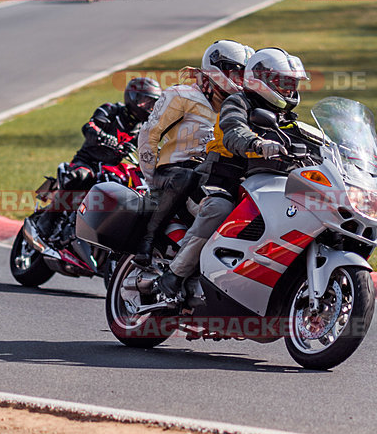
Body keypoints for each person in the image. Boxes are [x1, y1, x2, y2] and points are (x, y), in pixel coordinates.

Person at [156, 47, 307, 302]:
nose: (290, 89)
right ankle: (174, 275)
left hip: (260, 187)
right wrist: (257, 144)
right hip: (218, 181)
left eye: (292, 83)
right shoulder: (238, 102)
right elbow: (233, 131)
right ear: (263, 79)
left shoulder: (286, 117)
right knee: (219, 208)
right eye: (285, 82)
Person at [133, 40, 253, 266]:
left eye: (244, 75)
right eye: (235, 73)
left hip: (213, 174)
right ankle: (148, 238)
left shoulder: (243, 107)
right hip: (174, 172)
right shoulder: (182, 96)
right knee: (186, 177)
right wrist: (153, 182)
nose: (240, 80)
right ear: (216, 69)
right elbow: (148, 135)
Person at [35, 76, 161, 242]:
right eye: (145, 101)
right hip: (88, 162)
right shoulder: (111, 110)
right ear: (133, 97)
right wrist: (103, 136)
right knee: (80, 177)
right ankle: (49, 219)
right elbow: (89, 126)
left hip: (111, 167)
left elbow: (153, 145)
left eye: (153, 103)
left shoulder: (144, 128)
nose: (149, 107)